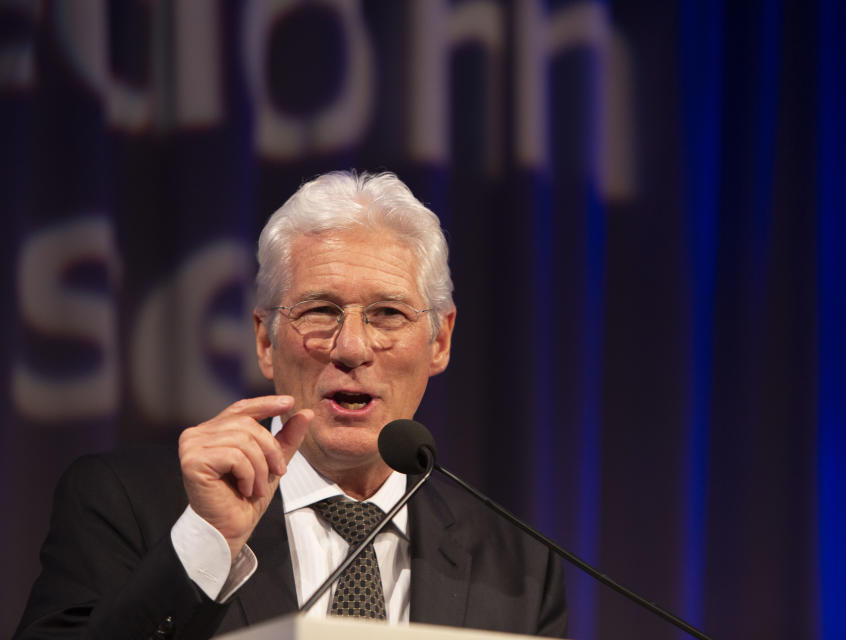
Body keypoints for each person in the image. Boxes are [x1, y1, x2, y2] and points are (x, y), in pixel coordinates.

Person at [14, 171, 567, 639]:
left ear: (440, 340)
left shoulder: (519, 566)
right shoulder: (124, 502)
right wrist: (207, 542)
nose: (351, 348)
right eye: (320, 310)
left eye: (388, 314)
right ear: (264, 340)